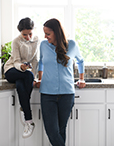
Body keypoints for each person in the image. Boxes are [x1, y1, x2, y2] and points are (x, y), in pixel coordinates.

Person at [37, 18, 86, 146]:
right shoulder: (43, 45)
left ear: (56, 33)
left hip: (67, 94)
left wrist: (81, 78)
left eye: (48, 33)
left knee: (61, 129)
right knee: (52, 131)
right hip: (47, 94)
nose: (45, 36)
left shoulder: (72, 45)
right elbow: (41, 62)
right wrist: (40, 78)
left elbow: (80, 61)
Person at [4, 17, 39, 138]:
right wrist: (22, 68)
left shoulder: (36, 40)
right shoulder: (16, 42)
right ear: (20, 32)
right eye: (25, 35)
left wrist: (35, 78)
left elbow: (35, 60)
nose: (28, 37)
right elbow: (16, 61)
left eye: (30, 34)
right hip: (11, 70)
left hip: (24, 74)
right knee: (27, 75)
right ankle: (25, 110)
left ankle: (28, 122)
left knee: (20, 84)